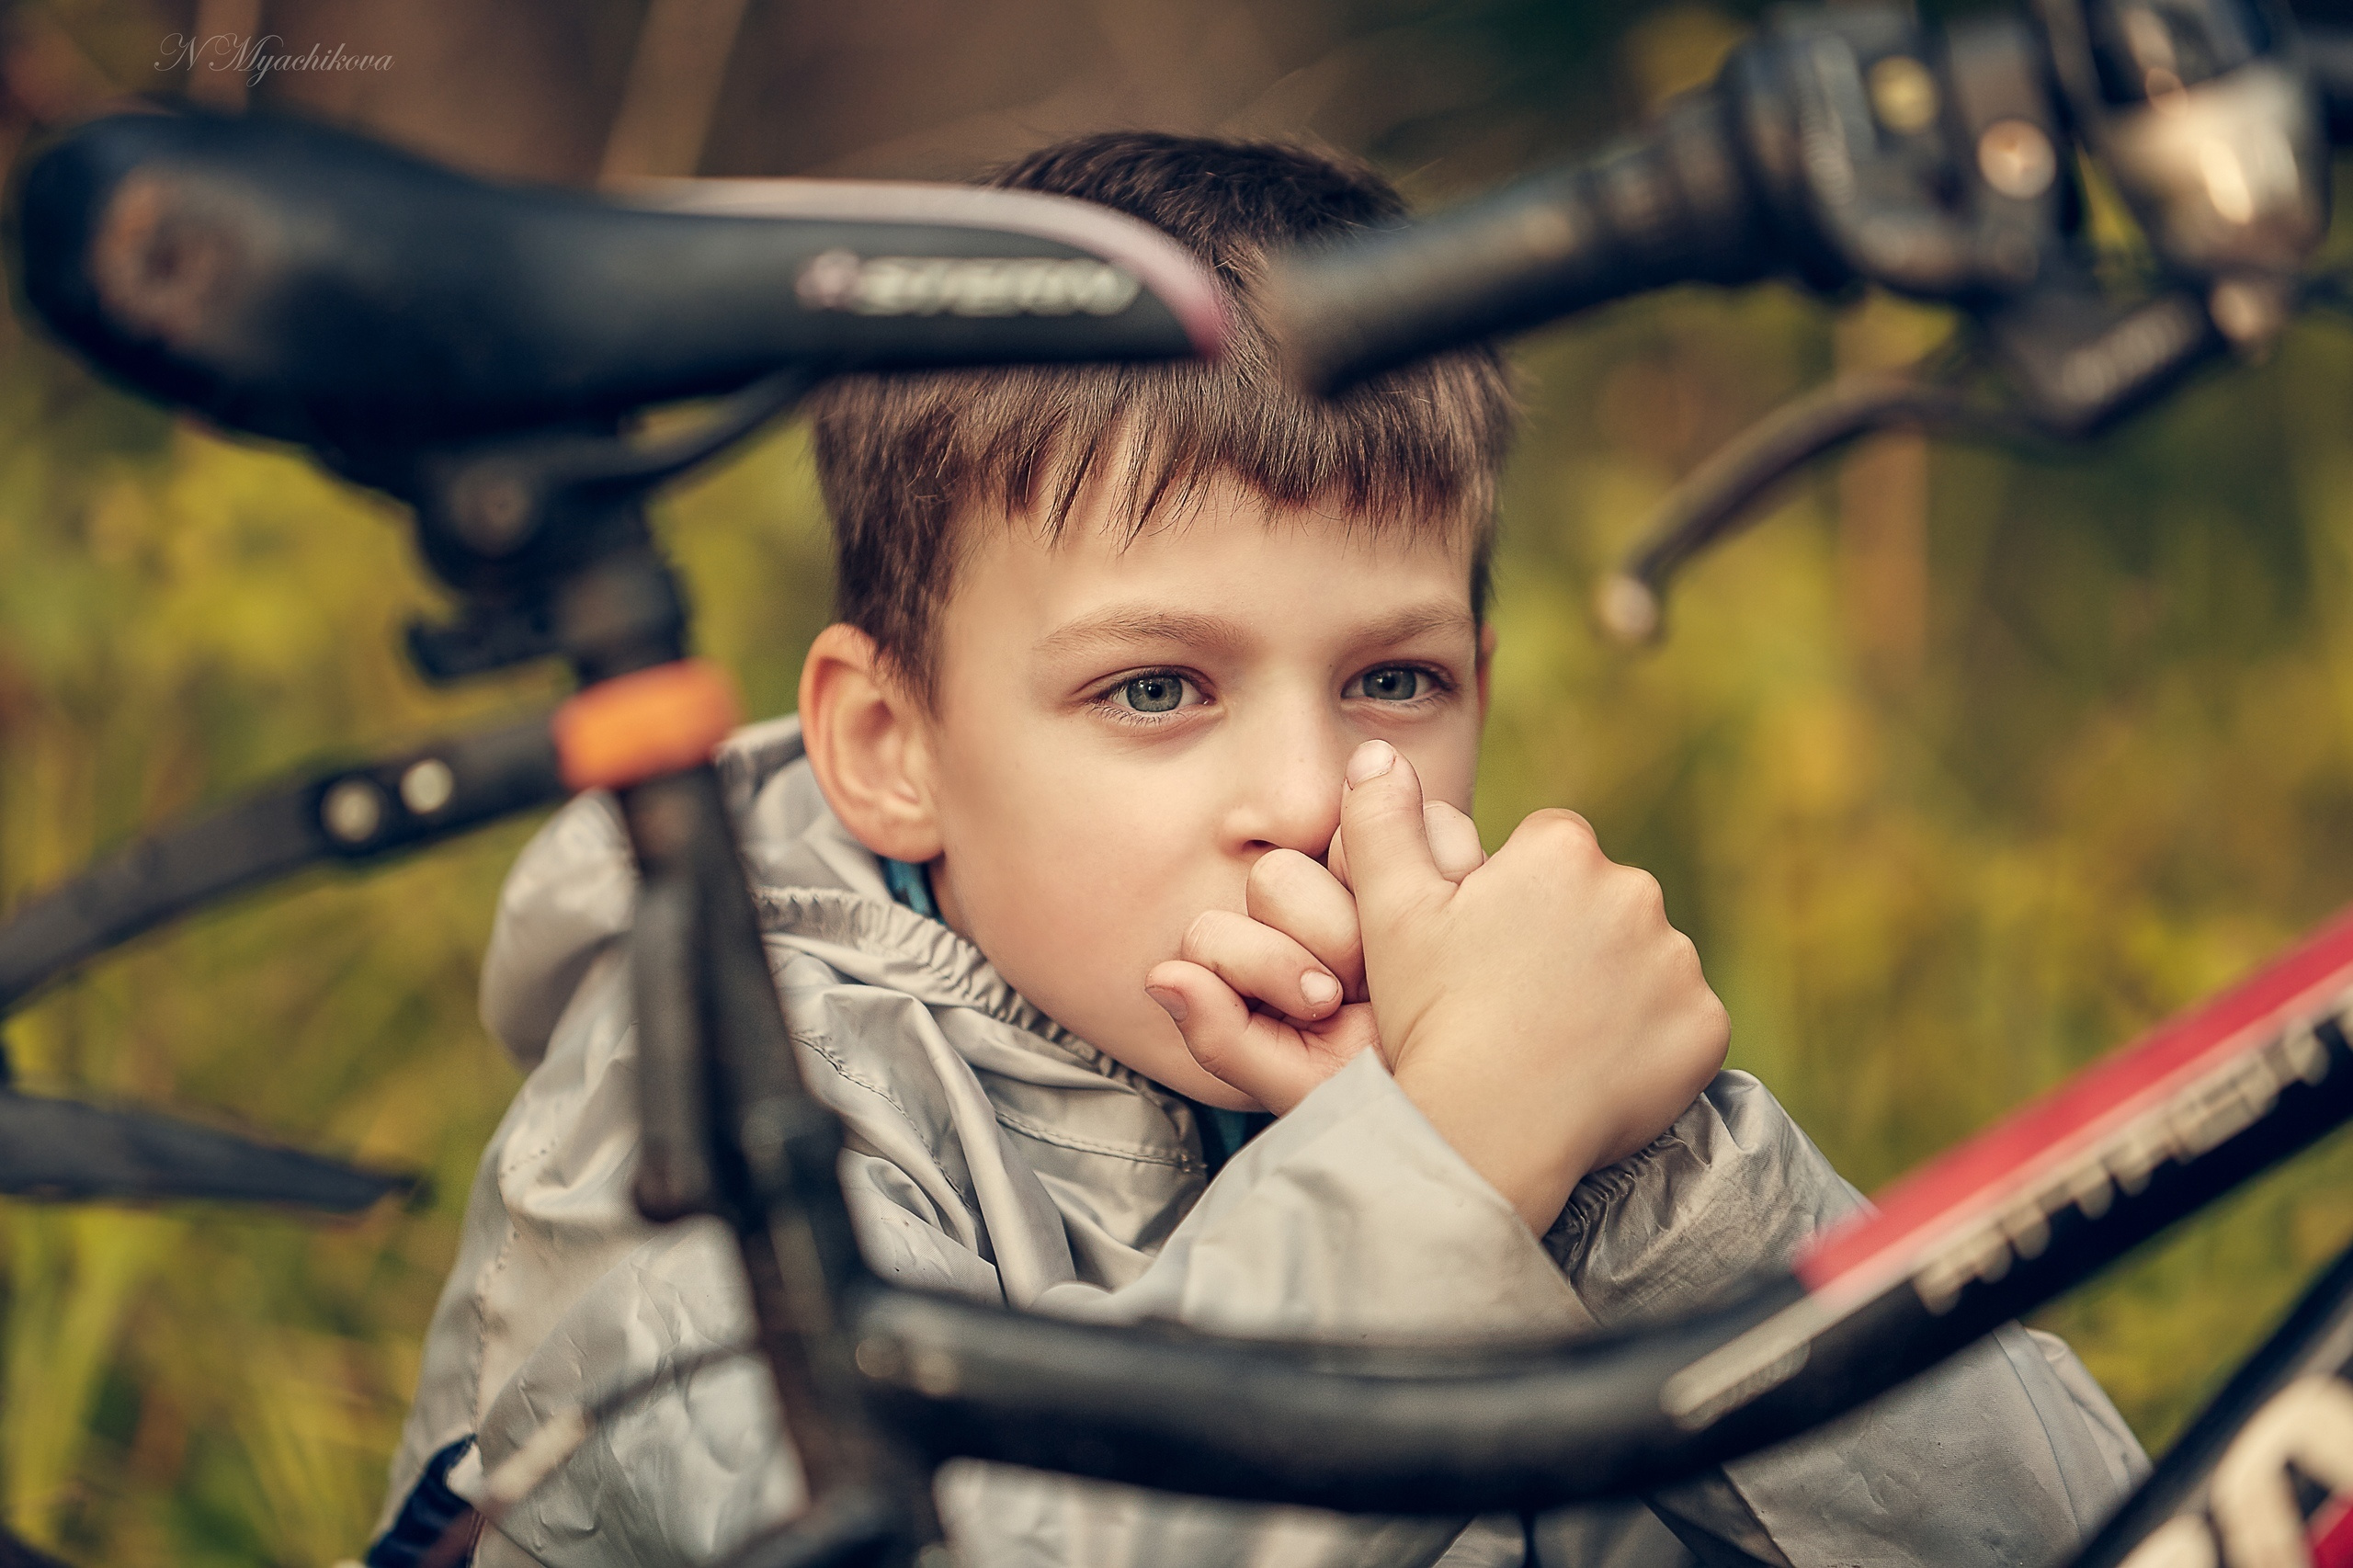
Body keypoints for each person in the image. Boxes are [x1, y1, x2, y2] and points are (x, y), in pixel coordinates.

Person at [369, 132, 2147, 1568]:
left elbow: (2106, 1529)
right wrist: (1458, 1149)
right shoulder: (699, 1117)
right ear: (888, 750)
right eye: (1156, 685)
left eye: (1394, 677)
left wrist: (1629, 1171)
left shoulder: (1461, 1076)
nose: (1309, 791)